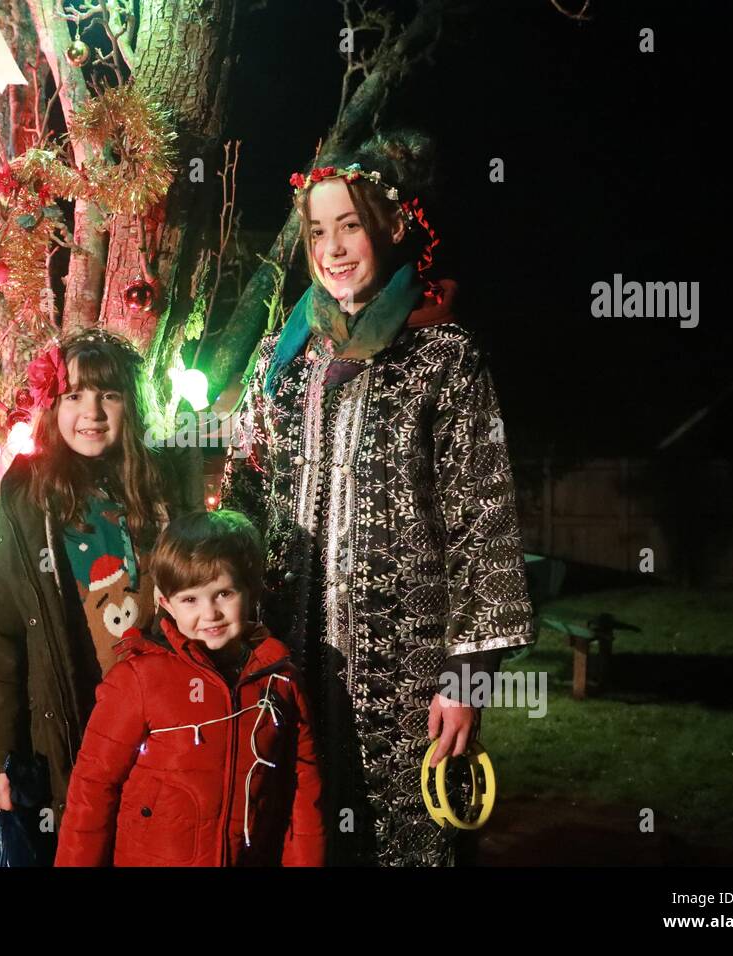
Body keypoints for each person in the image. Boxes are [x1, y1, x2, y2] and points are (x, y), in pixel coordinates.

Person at [220, 130, 536, 866]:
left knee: (406, 843)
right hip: (288, 666)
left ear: (393, 228)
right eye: (317, 231)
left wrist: (466, 678)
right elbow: (244, 491)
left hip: (409, 678)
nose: (331, 248)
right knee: (297, 836)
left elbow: (481, 522)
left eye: (349, 226)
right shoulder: (281, 361)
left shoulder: (443, 359)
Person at [0, 328, 202, 857]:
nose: (92, 412)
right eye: (74, 396)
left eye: (108, 395)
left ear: (129, 406)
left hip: (158, 721)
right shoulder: (21, 505)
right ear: (53, 405)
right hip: (73, 725)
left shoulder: (160, 491)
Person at [53, 509, 325, 866]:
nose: (209, 613)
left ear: (251, 590)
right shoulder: (139, 679)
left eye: (224, 593)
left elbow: (304, 792)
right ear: (166, 604)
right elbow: (92, 789)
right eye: (190, 599)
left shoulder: (280, 681)